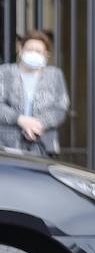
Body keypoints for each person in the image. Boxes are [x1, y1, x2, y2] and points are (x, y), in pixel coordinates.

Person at [0, 29, 69, 157]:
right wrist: (20, 120)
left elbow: (60, 108)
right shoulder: (5, 72)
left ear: (46, 55)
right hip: (6, 145)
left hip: (44, 145)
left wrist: (38, 124)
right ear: (20, 50)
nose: (33, 53)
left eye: (38, 51)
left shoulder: (54, 75)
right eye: (29, 49)